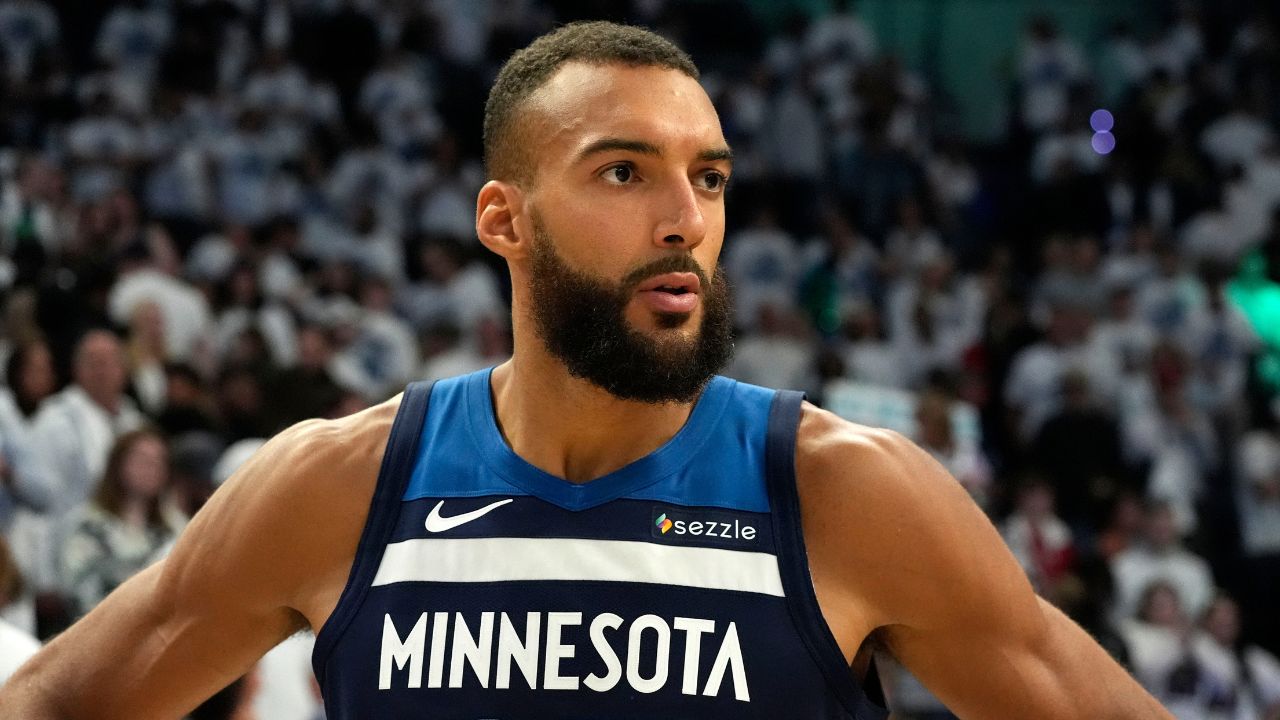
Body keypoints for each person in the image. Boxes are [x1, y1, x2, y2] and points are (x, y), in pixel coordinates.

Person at [0, 22, 1172, 719]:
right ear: (502, 220)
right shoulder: (343, 484)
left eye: (707, 178)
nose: (684, 221)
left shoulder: (843, 493)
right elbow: (58, 702)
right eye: (623, 173)